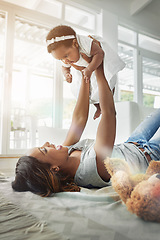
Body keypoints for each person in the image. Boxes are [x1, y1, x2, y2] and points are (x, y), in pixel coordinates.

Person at [12, 63, 160, 197]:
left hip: (133, 143)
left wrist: (85, 75)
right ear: (54, 169)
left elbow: (79, 119)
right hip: (151, 154)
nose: (46, 143)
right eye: (44, 150)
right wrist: (99, 69)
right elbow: (108, 113)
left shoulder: (66, 154)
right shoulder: (91, 166)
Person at [46, 25, 125, 119]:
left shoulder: (84, 43)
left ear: (75, 44)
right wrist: (66, 74)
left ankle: (109, 107)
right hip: (83, 71)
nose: (65, 61)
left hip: (97, 63)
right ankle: (98, 107)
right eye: (60, 59)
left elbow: (99, 53)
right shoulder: (66, 59)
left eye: (66, 56)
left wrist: (90, 69)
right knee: (84, 92)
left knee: (107, 84)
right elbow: (64, 67)